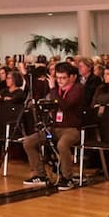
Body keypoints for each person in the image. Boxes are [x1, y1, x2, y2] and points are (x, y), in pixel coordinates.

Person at [22, 61, 90, 190]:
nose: (60, 81)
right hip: (53, 128)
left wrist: (53, 88)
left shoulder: (78, 89)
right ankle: (40, 175)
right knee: (28, 142)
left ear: (71, 77)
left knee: (62, 145)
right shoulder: (55, 88)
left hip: (71, 129)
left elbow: (64, 105)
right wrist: (25, 73)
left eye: (63, 78)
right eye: (58, 78)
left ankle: (67, 177)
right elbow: (35, 87)